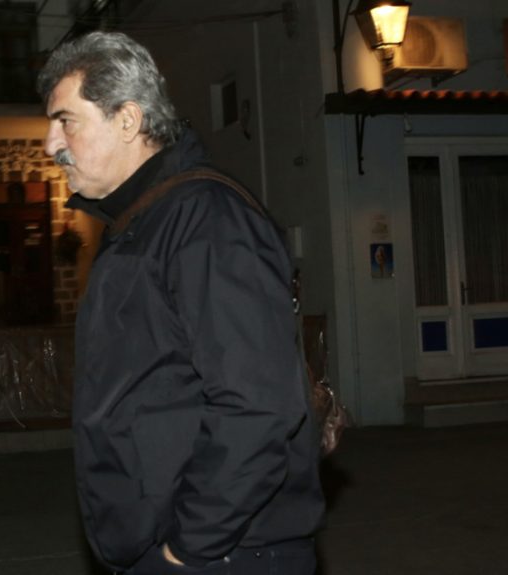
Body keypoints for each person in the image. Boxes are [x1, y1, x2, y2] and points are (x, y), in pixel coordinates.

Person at [38, 31, 325, 574]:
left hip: (223, 554)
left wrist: (188, 547)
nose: (51, 143)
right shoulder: (142, 221)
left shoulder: (205, 219)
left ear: (127, 120)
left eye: (65, 120)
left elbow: (257, 403)